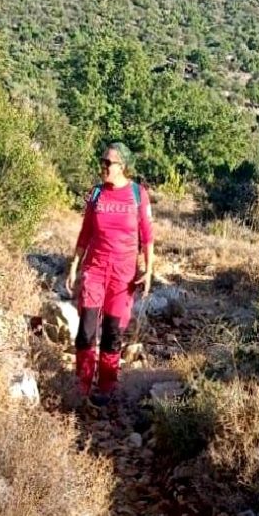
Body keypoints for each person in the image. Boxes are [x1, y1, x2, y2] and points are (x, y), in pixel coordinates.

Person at [66, 142, 154, 407]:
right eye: (102, 162)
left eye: (108, 163)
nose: (103, 167)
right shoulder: (96, 194)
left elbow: (148, 237)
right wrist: (74, 265)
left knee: (113, 332)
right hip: (96, 268)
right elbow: (85, 233)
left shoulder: (138, 194)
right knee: (86, 330)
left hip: (123, 274)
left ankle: (106, 387)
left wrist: (148, 270)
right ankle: (81, 387)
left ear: (122, 167)